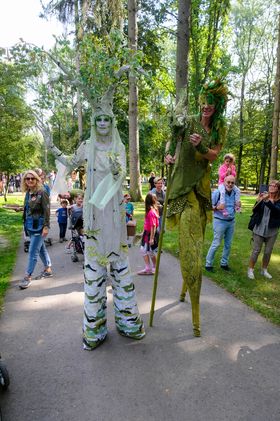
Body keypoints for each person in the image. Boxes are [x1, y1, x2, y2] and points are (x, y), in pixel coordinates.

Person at [165, 79, 229, 337]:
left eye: (211, 103)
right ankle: (194, 312)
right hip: (183, 189)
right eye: (204, 101)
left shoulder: (220, 128)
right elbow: (172, 142)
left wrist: (200, 146)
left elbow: (214, 154)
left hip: (202, 192)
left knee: (197, 245)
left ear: (218, 106)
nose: (206, 106)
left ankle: (185, 287)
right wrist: (169, 156)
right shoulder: (188, 120)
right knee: (191, 250)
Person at [19, 170, 52, 290]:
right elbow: (28, 209)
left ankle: (27, 276)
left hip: (39, 226)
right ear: (25, 181)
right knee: (41, 248)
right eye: (27, 179)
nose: (30, 180)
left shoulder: (42, 192)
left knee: (32, 252)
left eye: (32, 178)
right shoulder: (28, 192)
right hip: (30, 225)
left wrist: (46, 226)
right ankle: (48, 269)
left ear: (37, 179)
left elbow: (46, 210)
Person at [205, 175, 240, 271]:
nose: (230, 184)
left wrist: (238, 206)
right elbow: (208, 206)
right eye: (228, 182)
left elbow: (236, 206)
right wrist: (216, 207)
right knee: (216, 243)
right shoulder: (218, 192)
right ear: (224, 182)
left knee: (228, 244)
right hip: (219, 221)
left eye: (232, 182)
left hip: (231, 221)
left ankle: (224, 263)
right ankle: (208, 264)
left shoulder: (235, 193)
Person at [247, 180, 280, 280]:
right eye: (270, 185)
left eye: (274, 186)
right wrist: (259, 200)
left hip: (272, 230)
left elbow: (277, 211)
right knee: (256, 250)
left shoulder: (279, 200)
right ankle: (250, 269)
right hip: (259, 228)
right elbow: (254, 210)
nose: (271, 187)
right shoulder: (263, 196)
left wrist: (267, 202)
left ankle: (264, 270)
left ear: (278, 189)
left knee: (268, 251)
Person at [138, 193, 159, 275]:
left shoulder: (151, 212)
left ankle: (153, 267)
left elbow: (153, 226)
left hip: (151, 234)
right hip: (147, 233)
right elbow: (147, 223)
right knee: (146, 251)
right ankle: (149, 268)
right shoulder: (150, 210)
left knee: (147, 251)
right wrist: (143, 232)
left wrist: (152, 238)